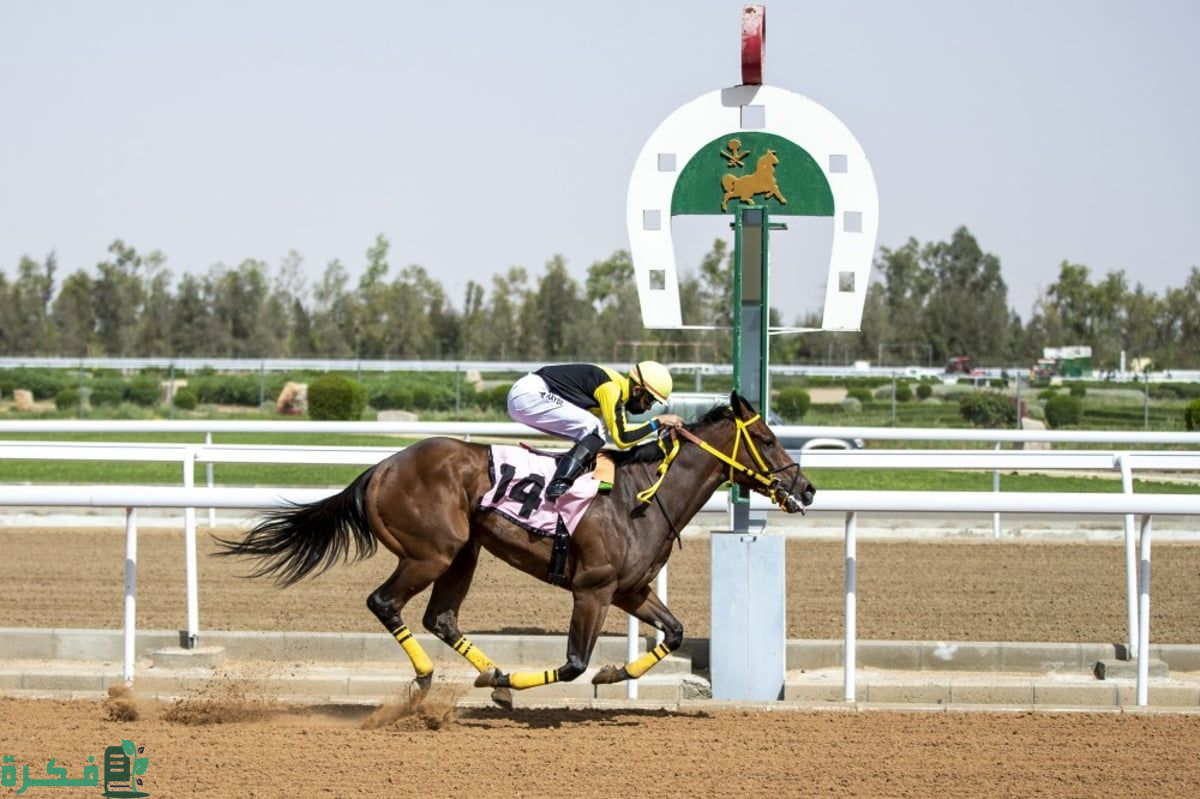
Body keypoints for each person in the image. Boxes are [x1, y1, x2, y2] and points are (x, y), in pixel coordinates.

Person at [507, 361, 684, 500]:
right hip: (530, 394)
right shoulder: (611, 389)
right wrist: (656, 422)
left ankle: (579, 480)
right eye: (649, 401)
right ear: (638, 390)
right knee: (595, 428)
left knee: (595, 435)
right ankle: (559, 484)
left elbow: (606, 439)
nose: (647, 408)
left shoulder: (615, 390)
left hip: (528, 395)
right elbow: (622, 440)